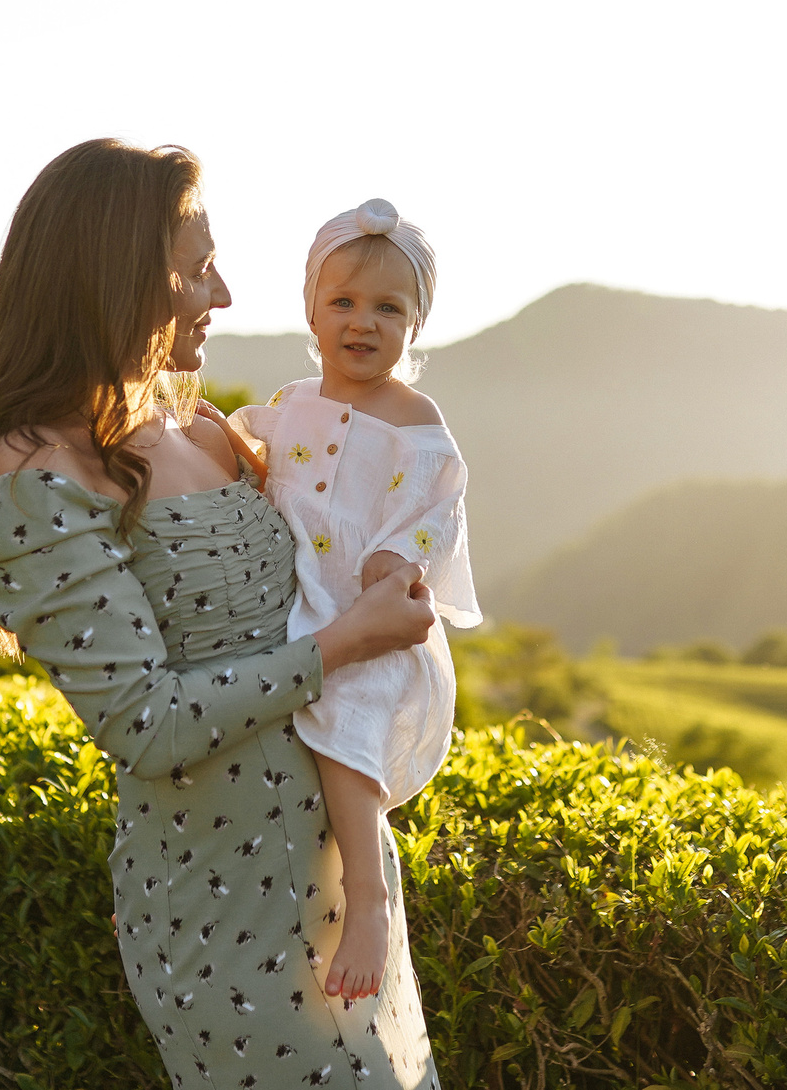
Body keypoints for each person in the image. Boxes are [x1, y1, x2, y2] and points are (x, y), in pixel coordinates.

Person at [0, 140, 445, 1089]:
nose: (225, 294)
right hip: (226, 909)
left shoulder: (202, 427)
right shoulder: (34, 480)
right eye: (197, 266)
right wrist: (348, 640)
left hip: (343, 880)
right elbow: (148, 723)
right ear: (116, 275)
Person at [228, 199, 480, 1004]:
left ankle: (368, 898)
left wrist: (395, 556)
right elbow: (265, 455)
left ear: (416, 323)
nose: (362, 322)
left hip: (373, 624)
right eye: (342, 301)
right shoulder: (297, 398)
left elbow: (437, 511)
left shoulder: (417, 420)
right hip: (300, 603)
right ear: (311, 307)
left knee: (346, 730)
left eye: (388, 308)